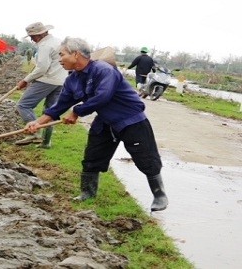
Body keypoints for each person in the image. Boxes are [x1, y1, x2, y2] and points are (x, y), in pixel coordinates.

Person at [26, 37, 168, 212]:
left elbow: (103, 96)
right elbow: (59, 105)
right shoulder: (72, 80)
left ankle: (159, 194)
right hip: (105, 120)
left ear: (76, 54)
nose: (59, 59)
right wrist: (37, 122)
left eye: (62, 55)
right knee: (93, 155)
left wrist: (77, 111)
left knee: (146, 157)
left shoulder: (104, 70)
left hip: (130, 119)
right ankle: (87, 193)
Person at [15, 22, 68, 149]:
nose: (32, 39)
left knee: (23, 105)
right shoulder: (58, 41)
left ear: (40, 35)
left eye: (32, 36)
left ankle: (35, 132)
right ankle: (46, 143)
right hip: (61, 81)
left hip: (47, 80)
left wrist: (25, 80)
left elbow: (42, 68)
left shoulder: (45, 45)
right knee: (50, 112)